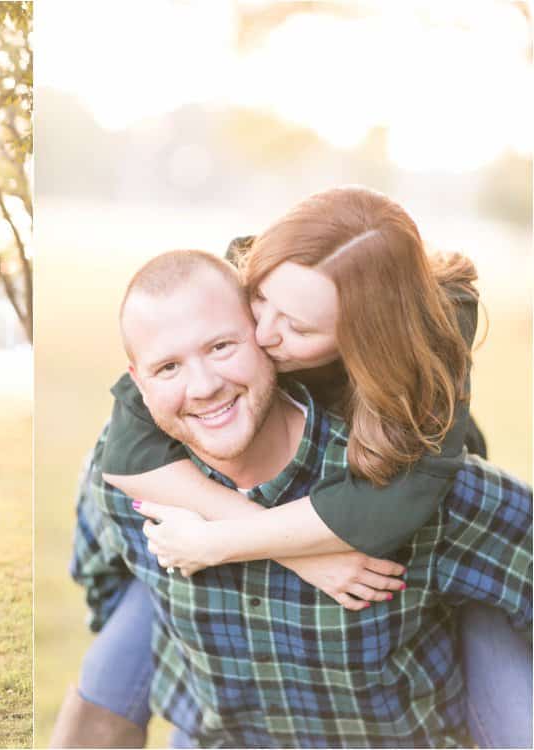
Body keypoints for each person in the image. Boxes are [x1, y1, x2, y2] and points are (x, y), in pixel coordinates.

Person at [52, 188, 533, 748]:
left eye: (299, 328)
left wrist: (221, 544)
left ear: (361, 341)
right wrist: (290, 555)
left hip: (419, 511)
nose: (264, 334)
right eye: (258, 304)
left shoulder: (417, 401)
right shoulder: (228, 321)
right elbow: (121, 470)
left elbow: (388, 508)